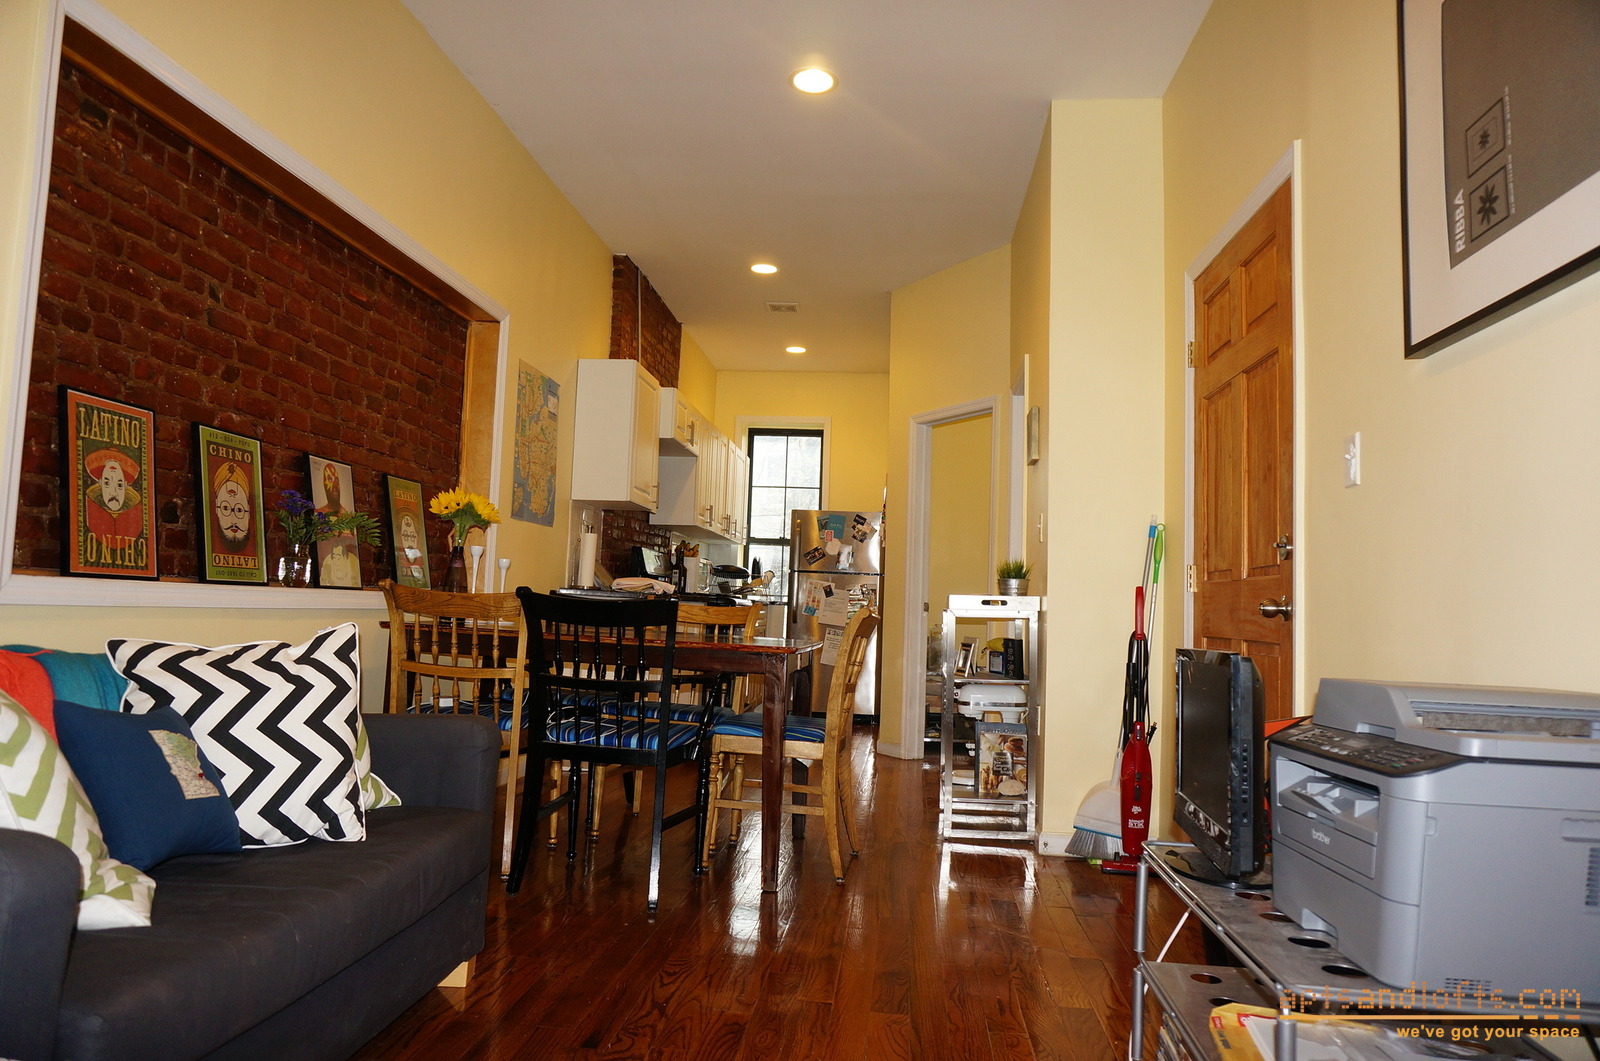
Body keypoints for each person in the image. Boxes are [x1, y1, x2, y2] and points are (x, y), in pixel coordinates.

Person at [83, 448, 144, 551]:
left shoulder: (135, 515)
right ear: (100, 483)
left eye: (119, 485)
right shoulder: (90, 509)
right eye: (107, 483)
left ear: (125, 486)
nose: (113, 492)